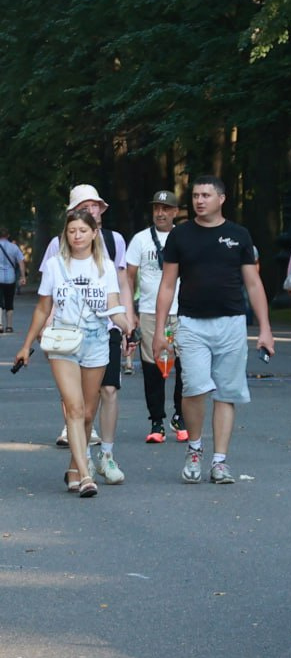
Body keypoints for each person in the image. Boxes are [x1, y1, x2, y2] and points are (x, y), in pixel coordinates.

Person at [152, 175, 275, 484]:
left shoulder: (239, 235)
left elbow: (253, 283)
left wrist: (265, 329)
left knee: (226, 393)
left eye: (206, 195)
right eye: (195, 195)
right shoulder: (180, 236)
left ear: (222, 198)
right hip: (191, 324)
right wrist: (159, 330)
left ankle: (220, 461)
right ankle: (194, 449)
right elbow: (167, 285)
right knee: (193, 387)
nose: (199, 200)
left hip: (232, 323)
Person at [13, 210, 133, 496]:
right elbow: (44, 307)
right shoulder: (56, 265)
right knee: (75, 408)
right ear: (65, 235)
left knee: (89, 413)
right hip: (63, 342)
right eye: (71, 231)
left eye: (82, 230)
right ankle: (86, 476)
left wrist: (128, 326)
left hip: (96, 341)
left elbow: (113, 305)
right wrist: (26, 344)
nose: (77, 235)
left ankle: (72, 469)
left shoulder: (105, 266)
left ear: (94, 233)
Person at [43, 185, 134, 477]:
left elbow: (123, 284)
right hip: (68, 332)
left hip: (106, 327)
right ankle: (80, 464)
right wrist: (48, 328)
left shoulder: (114, 239)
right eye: (86, 205)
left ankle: (106, 454)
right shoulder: (58, 244)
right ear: (72, 213)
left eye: (96, 205)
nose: (92, 209)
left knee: (109, 390)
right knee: (76, 402)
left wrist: (128, 322)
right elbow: (52, 294)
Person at [125, 191, 187, 443]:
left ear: (175, 212)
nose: (160, 213)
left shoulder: (185, 236)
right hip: (150, 312)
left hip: (183, 311)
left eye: (166, 208)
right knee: (152, 367)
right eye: (156, 208)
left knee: (185, 366)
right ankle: (157, 421)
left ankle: (180, 415)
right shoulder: (140, 240)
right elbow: (128, 277)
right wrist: (131, 313)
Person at [0, 227, 26, 333]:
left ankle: (0, 324)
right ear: (8, 235)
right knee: (9, 302)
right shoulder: (14, 247)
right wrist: (23, 276)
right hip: (10, 278)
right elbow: (21, 262)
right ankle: (9, 326)